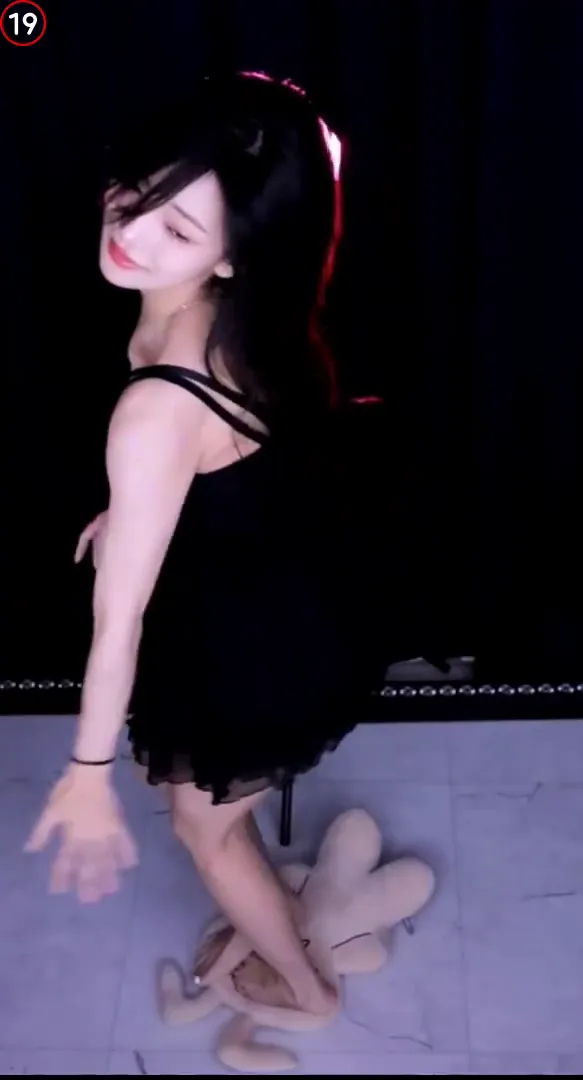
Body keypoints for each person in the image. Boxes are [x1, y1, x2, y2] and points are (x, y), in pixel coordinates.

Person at [23, 71, 366, 1019]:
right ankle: (268, 913)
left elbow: (118, 620)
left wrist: (88, 776)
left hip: (259, 644)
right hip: (278, 587)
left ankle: (305, 990)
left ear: (231, 259)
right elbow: (236, 457)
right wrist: (132, 511)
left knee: (199, 826)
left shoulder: (157, 405)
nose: (130, 233)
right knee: (215, 807)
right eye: (137, 192)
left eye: (175, 230)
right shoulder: (233, 322)